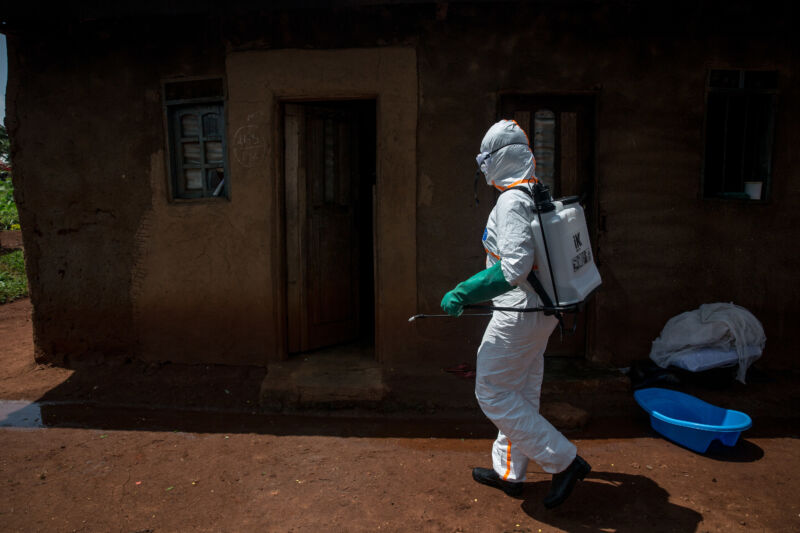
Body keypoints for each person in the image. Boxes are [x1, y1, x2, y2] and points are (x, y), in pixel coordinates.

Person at [440, 119, 590, 509]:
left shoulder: (510, 201)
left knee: (491, 391)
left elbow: (514, 267)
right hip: (540, 312)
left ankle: (564, 461)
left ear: (501, 159)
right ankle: (510, 472)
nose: (482, 167)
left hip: (519, 314)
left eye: (485, 158)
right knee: (521, 390)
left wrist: (464, 291)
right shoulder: (532, 190)